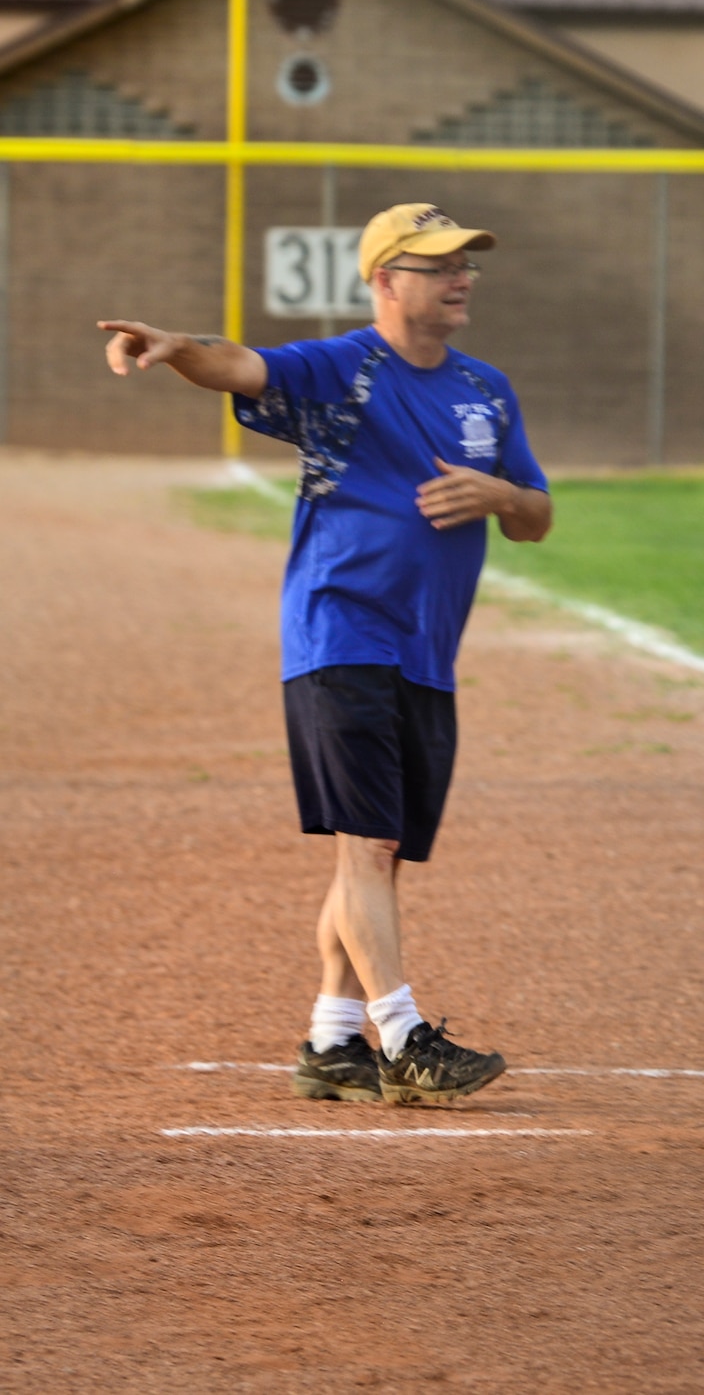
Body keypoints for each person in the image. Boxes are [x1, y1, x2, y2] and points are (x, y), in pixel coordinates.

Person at [99, 203, 551, 1106]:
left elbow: (537, 516)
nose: (461, 275)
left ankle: (330, 1040)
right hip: (339, 631)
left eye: (466, 261)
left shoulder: (486, 391)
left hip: (427, 651)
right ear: (385, 281)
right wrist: (173, 344)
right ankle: (403, 1036)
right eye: (437, 263)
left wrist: (499, 491)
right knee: (368, 842)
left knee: (373, 856)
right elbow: (239, 363)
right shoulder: (340, 368)